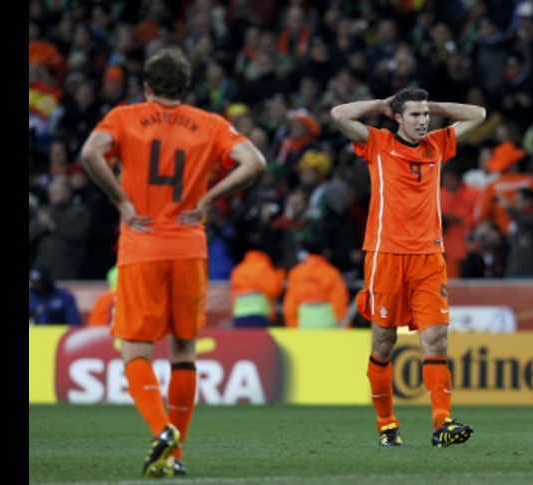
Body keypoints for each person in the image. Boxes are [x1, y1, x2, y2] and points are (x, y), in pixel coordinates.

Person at [80, 48, 266, 477]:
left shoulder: (126, 117)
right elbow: (255, 161)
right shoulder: (210, 123)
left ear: (146, 86)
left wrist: (123, 201)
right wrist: (209, 198)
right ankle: (176, 456)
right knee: (184, 349)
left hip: (141, 245)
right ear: (186, 88)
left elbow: (91, 152)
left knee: (135, 349)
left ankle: (161, 431)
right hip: (188, 246)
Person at [330, 87, 485, 447]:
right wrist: (381, 106)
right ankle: (386, 424)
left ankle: (442, 423)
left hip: (429, 257)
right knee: (383, 342)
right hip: (385, 255)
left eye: (425, 115)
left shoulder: (438, 144)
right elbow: (339, 114)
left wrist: (435, 106)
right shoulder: (379, 143)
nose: (423, 121)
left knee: (436, 338)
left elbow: (477, 114)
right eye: (414, 115)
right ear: (398, 117)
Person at [282, 239, 349, 329]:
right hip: (327, 319)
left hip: (304, 319)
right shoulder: (331, 272)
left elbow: (290, 302)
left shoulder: (296, 272)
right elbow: (339, 300)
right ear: (324, 253)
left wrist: (292, 325)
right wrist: (345, 325)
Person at [230, 249, 285, 328]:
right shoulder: (263, 267)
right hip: (258, 312)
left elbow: (233, 293)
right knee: (258, 340)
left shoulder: (238, 269)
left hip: (239, 314)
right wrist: (280, 275)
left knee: (243, 340)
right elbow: (273, 289)